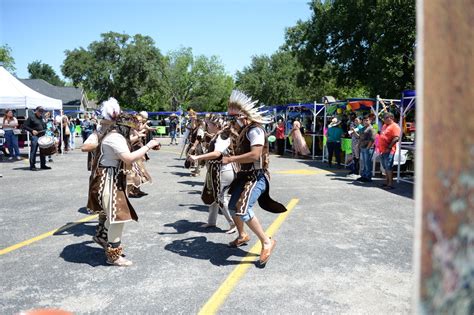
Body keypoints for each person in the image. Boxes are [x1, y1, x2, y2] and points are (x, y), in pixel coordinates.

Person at [86, 109, 161, 267]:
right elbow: (128, 157)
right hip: (108, 179)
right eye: (131, 129)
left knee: (114, 215)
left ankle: (102, 236)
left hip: (110, 178)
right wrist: (148, 145)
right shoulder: (115, 137)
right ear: (125, 127)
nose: (132, 132)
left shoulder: (114, 135)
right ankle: (113, 256)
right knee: (118, 217)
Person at [222, 90, 287, 266]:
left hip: (257, 177)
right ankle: (242, 235)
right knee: (232, 207)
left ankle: (267, 241)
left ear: (243, 115)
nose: (231, 120)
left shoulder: (255, 130)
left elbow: (255, 154)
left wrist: (231, 159)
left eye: (232, 117)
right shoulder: (241, 130)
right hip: (244, 177)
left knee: (242, 209)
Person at [189, 115, 237, 234]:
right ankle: (211, 221)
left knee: (221, 197)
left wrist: (198, 157)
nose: (207, 125)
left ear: (216, 126)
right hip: (216, 170)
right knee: (212, 195)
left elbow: (217, 154)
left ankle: (233, 224)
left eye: (209, 124)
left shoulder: (222, 136)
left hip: (224, 170)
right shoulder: (218, 134)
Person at [23, 106, 51, 171]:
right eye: (40, 111)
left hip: (42, 136)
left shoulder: (41, 118)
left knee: (43, 151)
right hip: (35, 137)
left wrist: (46, 128)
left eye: (42, 111)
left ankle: (43, 165)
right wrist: (32, 130)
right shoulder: (31, 117)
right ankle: (32, 166)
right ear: (36, 111)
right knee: (33, 151)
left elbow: (44, 126)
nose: (41, 112)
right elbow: (24, 126)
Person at [379, 112, 401, 189]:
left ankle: (390, 184)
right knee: (385, 167)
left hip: (389, 150)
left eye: (385, 118)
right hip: (382, 150)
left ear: (390, 118)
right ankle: (386, 181)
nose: (383, 120)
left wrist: (389, 147)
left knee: (389, 167)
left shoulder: (395, 126)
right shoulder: (385, 125)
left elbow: (396, 138)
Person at [357, 115, 376, 182]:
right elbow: (360, 137)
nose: (365, 121)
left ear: (370, 121)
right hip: (362, 147)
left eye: (367, 120)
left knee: (367, 163)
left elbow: (372, 139)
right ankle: (363, 176)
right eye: (364, 120)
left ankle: (368, 177)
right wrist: (358, 145)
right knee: (364, 163)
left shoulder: (371, 128)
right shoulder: (363, 128)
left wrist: (368, 147)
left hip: (368, 148)